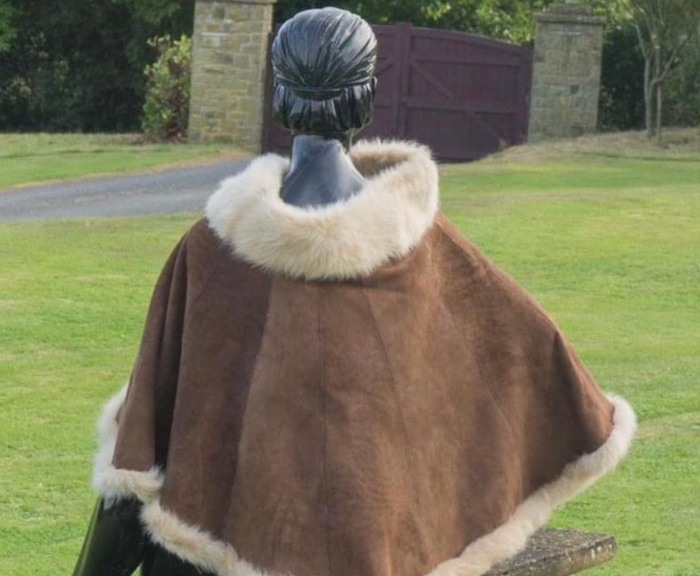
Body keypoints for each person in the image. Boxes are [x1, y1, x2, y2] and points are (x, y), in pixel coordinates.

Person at [72, 8, 635, 576]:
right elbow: (527, 359)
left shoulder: (212, 253)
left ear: (281, 99)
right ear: (365, 99)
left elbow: (137, 457)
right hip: (387, 555)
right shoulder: (425, 249)